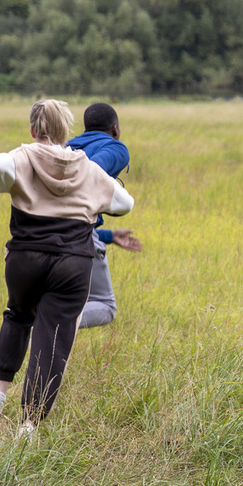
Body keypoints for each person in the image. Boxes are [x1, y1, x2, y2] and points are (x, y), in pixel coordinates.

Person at [0, 100, 134, 436]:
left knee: (19, 315)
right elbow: (124, 204)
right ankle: (30, 425)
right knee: (53, 340)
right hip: (73, 263)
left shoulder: (20, 158)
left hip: (25, 259)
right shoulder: (90, 170)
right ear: (67, 131)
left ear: (33, 130)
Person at [66, 103, 141, 330]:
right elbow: (92, 171)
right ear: (115, 129)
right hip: (79, 236)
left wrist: (108, 235)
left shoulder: (66, 147)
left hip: (47, 231)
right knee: (105, 306)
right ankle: (52, 321)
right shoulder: (116, 148)